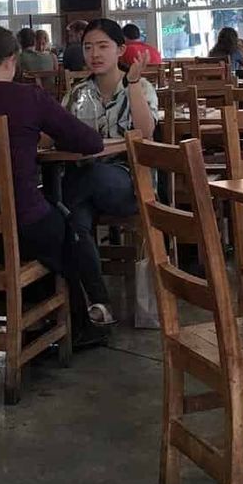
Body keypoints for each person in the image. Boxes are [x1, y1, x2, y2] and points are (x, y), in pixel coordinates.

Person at [0, 26, 108, 347]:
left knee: (53, 225)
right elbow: (91, 142)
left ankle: (30, 318)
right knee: (68, 231)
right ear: (12, 60)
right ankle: (81, 323)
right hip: (20, 232)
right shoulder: (29, 98)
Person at [63, 19, 160, 325]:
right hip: (86, 185)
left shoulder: (140, 86)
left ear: (120, 49)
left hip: (128, 184)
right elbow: (56, 133)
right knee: (74, 221)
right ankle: (101, 304)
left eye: (103, 46)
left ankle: (55, 204)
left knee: (68, 194)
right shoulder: (77, 93)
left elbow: (145, 133)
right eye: (88, 47)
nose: (95, 53)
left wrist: (132, 83)